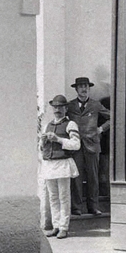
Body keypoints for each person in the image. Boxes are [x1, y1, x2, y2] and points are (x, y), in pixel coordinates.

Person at [38, 94, 81, 238]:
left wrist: (58, 139)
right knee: (53, 197)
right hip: (49, 164)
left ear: (66, 108)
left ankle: (64, 227)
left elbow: (76, 145)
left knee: (64, 197)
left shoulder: (70, 124)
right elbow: (41, 148)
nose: (57, 110)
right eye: (55, 107)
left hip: (63, 164)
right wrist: (42, 142)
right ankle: (56, 225)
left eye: (60, 107)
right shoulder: (47, 125)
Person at [67, 77, 110, 216]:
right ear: (76, 89)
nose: (84, 89)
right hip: (76, 146)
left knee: (93, 177)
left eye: (86, 86)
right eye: (80, 86)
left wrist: (101, 129)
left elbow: (112, 117)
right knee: (76, 177)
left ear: (89, 88)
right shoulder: (70, 106)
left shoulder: (95, 105)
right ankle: (76, 208)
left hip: (92, 145)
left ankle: (93, 207)